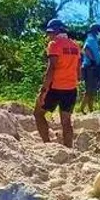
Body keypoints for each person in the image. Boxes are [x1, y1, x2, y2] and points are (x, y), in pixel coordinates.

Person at [34, 18, 81, 148]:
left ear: (56, 31)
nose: (48, 35)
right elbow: (78, 69)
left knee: (38, 113)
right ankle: (68, 148)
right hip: (71, 88)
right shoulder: (75, 46)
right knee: (66, 121)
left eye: (50, 32)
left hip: (55, 87)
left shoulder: (54, 44)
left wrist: (44, 90)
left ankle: (47, 145)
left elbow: (51, 68)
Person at [80, 24, 100, 113]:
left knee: (92, 90)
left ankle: (90, 109)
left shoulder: (94, 40)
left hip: (93, 67)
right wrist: (93, 61)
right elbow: (86, 49)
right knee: (89, 90)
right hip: (89, 67)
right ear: (96, 31)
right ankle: (82, 109)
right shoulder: (91, 39)